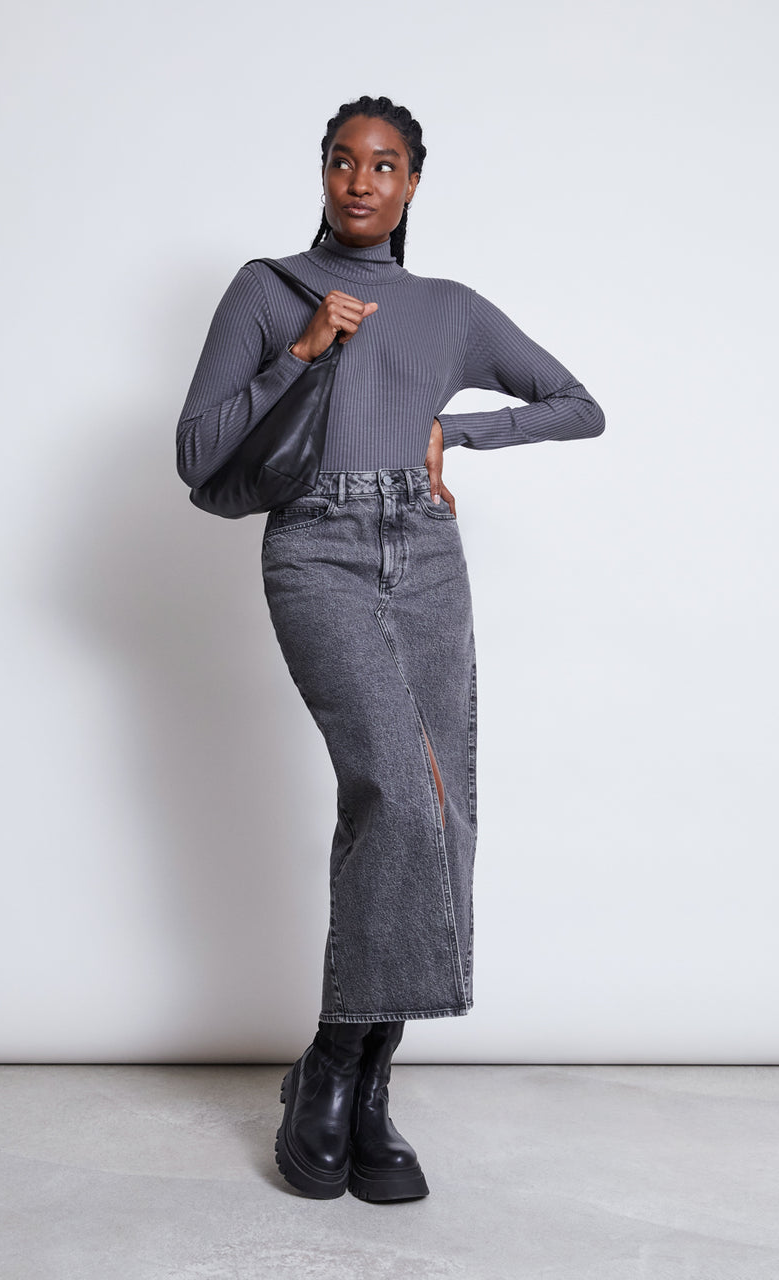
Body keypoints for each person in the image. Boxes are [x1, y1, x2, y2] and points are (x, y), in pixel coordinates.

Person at [175, 94, 605, 1203]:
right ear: (321, 174)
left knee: (429, 802)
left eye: (384, 164)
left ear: (414, 182)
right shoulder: (269, 290)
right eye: (341, 162)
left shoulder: (451, 309)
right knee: (396, 793)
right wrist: (306, 354)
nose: (360, 181)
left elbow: (577, 403)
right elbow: (200, 452)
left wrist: (451, 430)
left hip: (423, 551)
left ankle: (366, 1082)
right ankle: (328, 1054)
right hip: (315, 545)